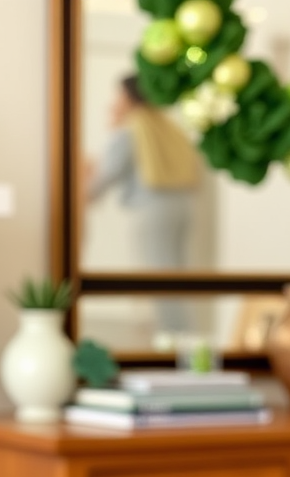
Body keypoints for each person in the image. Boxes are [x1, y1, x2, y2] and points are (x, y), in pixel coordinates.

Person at [85, 76, 201, 332]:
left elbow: (103, 177)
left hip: (153, 212)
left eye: (117, 97)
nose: (112, 104)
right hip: (182, 207)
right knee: (177, 277)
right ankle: (183, 337)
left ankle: (174, 341)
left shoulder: (130, 131)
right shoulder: (167, 128)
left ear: (128, 99)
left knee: (160, 279)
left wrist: (80, 191)